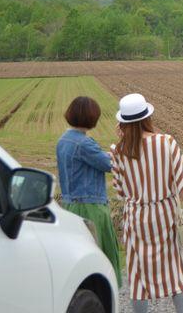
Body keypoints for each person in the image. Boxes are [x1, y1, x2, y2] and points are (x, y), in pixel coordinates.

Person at [110, 93, 183, 313]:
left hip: (136, 217)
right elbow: (182, 183)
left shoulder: (117, 151)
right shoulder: (166, 142)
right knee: (175, 269)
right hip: (165, 214)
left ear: (122, 122)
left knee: (137, 274)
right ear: (147, 117)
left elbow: (121, 191)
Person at [55, 96, 122, 286]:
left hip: (69, 205)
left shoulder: (63, 140)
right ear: (91, 118)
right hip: (90, 207)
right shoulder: (84, 143)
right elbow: (111, 165)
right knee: (100, 259)